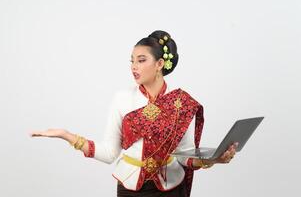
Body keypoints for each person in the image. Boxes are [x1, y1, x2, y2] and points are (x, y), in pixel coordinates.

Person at [30, 30, 238, 197]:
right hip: (130, 188)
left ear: (159, 64)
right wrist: (67, 136)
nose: (133, 67)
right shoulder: (122, 99)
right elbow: (110, 153)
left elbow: (185, 155)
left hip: (172, 188)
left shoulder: (181, 103)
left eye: (141, 60)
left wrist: (211, 160)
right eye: (131, 61)